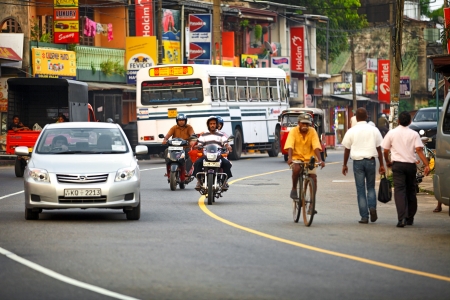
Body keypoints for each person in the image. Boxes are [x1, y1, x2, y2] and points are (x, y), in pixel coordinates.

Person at [381, 111, 430, 228]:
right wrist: (426, 164)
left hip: (397, 166)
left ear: (398, 121)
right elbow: (419, 150)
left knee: (399, 191)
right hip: (410, 166)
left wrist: (387, 161)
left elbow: (386, 150)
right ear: (410, 121)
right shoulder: (414, 134)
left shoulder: (391, 133)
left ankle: (401, 218)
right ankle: (410, 218)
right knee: (411, 190)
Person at [341, 107, 385, 224]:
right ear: (367, 117)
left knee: (360, 190)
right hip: (371, 161)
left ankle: (364, 217)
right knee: (370, 187)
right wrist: (381, 165)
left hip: (358, 162)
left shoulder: (351, 131)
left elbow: (347, 149)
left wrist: (344, 165)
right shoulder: (374, 130)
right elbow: (379, 148)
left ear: (355, 118)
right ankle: (372, 208)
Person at [285, 113, 325, 201]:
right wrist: (290, 158)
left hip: (310, 159)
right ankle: (294, 188)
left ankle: (312, 201)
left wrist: (320, 160)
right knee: (296, 169)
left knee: (313, 177)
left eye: (307, 124)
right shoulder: (293, 131)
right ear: (299, 123)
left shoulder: (312, 131)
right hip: (296, 158)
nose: (305, 126)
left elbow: (316, 146)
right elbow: (290, 145)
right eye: (303, 123)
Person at [193, 116, 232, 190]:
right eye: (211, 124)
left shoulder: (221, 134)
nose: (212, 125)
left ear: (217, 125)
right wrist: (198, 146)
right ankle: (199, 181)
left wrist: (228, 146)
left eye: (214, 123)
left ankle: (224, 182)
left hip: (218, 155)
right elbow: (200, 143)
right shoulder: (204, 135)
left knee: (227, 164)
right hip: (206, 155)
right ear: (208, 125)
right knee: (197, 163)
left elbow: (225, 142)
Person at [162, 113, 195, 182]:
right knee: (166, 151)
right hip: (174, 148)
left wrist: (192, 141)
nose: (181, 121)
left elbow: (192, 135)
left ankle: (186, 171)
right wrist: (165, 139)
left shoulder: (189, 127)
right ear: (177, 121)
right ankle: (168, 170)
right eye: (179, 120)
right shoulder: (174, 127)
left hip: (185, 147)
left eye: (183, 120)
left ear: (185, 121)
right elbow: (168, 135)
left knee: (191, 154)